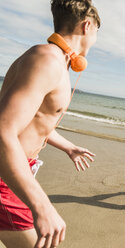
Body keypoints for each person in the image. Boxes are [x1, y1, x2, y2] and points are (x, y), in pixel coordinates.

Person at [0, 0, 100, 247]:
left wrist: (68, 147)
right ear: (87, 26)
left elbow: (36, 120)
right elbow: (3, 131)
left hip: (16, 171)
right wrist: (42, 206)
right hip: (5, 177)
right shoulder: (47, 60)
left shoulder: (54, 61)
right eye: (97, 34)